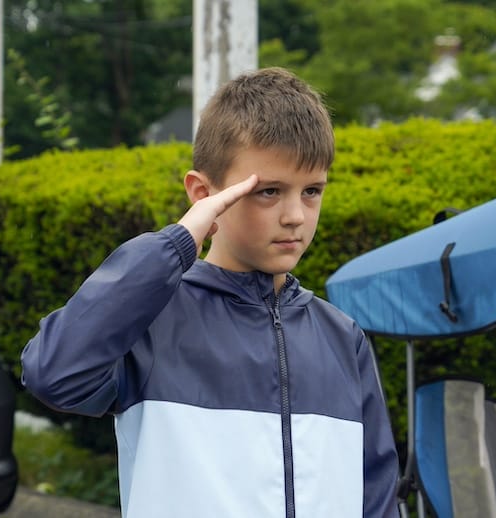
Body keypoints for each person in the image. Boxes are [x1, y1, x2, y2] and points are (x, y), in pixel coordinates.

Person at [21, 67, 400, 518]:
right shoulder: (152, 321)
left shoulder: (343, 337)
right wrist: (179, 241)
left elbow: (376, 495)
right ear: (204, 193)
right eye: (269, 192)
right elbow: (52, 373)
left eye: (312, 191)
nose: (296, 215)